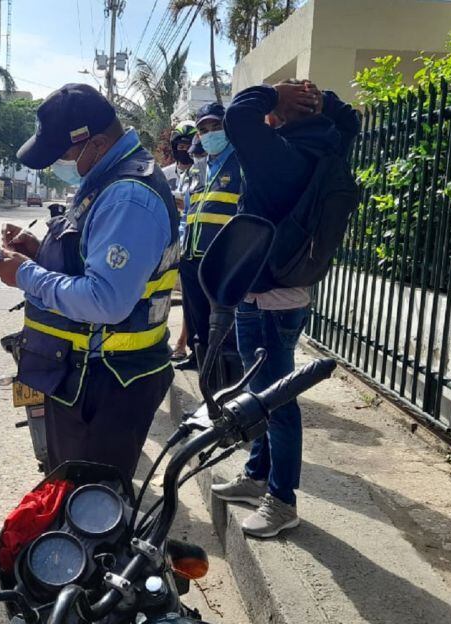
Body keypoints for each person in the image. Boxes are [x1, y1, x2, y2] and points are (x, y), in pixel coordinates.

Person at [0, 83, 179, 481]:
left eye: (64, 155)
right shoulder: (109, 179)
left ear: (98, 143)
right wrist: (41, 252)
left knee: (88, 512)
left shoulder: (127, 196)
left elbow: (106, 300)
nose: (59, 163)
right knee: (74, 501)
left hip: (106, 385)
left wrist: (24, 273)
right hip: (87, 377)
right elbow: (91, 259)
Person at [210, 80, 359, 538]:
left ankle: (282, 501)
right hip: (286, 293)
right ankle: (258, 477)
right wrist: (319, 96)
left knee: (277, 403)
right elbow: (349, 117)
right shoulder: (330, 147)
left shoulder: (281, 156)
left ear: (279, 115)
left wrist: (274, 91)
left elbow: (238, 117)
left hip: (268, 299)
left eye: (275, 110)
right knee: (264, 394)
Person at [179, 102, 243, 386]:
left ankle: (226, 395)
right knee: (200, 330)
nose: (209, 134)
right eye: (203, 130)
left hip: (221, 262)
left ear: (227, 126)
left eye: (215, 127)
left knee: (224, 334)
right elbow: (190, 212)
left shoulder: (241, 162)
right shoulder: (201, 168)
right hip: (192, 259)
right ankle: (209, 393)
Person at [168, 121, 202, 368]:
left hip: (196, 243)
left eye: (188, 144)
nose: (184, 149)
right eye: (180, 144)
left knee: (195, 300)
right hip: (173, 242)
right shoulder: (165, 174)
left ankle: (186, 343)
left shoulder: (203, 171)